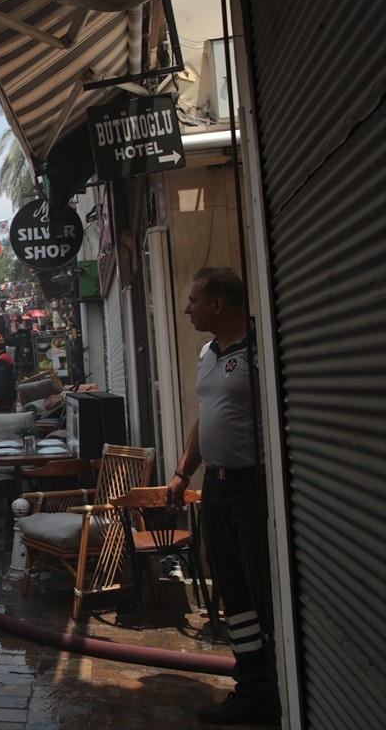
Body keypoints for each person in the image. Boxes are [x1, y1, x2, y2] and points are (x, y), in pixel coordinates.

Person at [168, 267, 280, 726]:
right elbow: (205, 416)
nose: (188, 308)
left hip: (252, 485)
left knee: (263, 586)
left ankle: (280, 683)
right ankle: (252, 686)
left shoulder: (261, 351)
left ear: (217, 303)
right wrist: (181, 474)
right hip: (214, 486)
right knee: (232, 589)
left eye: (193, 299)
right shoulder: (206, 353)